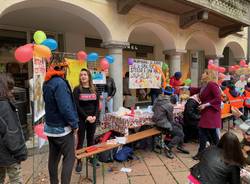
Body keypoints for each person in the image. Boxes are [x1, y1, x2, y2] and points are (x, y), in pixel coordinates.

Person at [43, 64, 79, 184]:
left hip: (50, 127)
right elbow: (65, 107)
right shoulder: (60, 83)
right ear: (63, 70)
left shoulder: (47, 82)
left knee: (53, 157)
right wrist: (74, 124)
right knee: (70, 157)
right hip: (61, 128)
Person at [0, 73, 28, 184]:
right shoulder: (5, 105)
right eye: (10, 88)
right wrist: (20, 153)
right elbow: (11, 133)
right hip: (9, 153)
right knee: (16, 179)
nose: (12, 91)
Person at [73, 68, 99, 172]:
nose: (83, 76)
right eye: (81, 75)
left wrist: (95, 116)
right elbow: (76, 105)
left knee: (91, 139)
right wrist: (86, 117)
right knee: (80, 140)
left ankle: (90, 157)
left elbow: (97, 104)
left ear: (89, 77)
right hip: (81, 119)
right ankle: (79, 161)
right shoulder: (77, 89)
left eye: (85, 74)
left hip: (93, 118)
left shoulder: (94, 89)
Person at [152, 86, 189, 159]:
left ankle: (180, 145)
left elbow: (153, 109)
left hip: (157, 122)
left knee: (180, 126)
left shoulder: (157, 99)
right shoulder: (169, 105)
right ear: (171, 94)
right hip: (162, 125)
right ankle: (168, 148)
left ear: (163, 92)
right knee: (180, 133)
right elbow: (170, 119)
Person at [193, 69, 221, 160]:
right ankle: (219, 153)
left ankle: (202, 153)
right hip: (207, 113)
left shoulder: (212, 84)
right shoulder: (205, 85)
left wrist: (205, 105)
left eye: (204, 73)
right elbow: (198, 91)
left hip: (211, 113)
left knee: (203, 133)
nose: (202, 74)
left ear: (208, 75)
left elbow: (218, 98)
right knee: (210, 134)